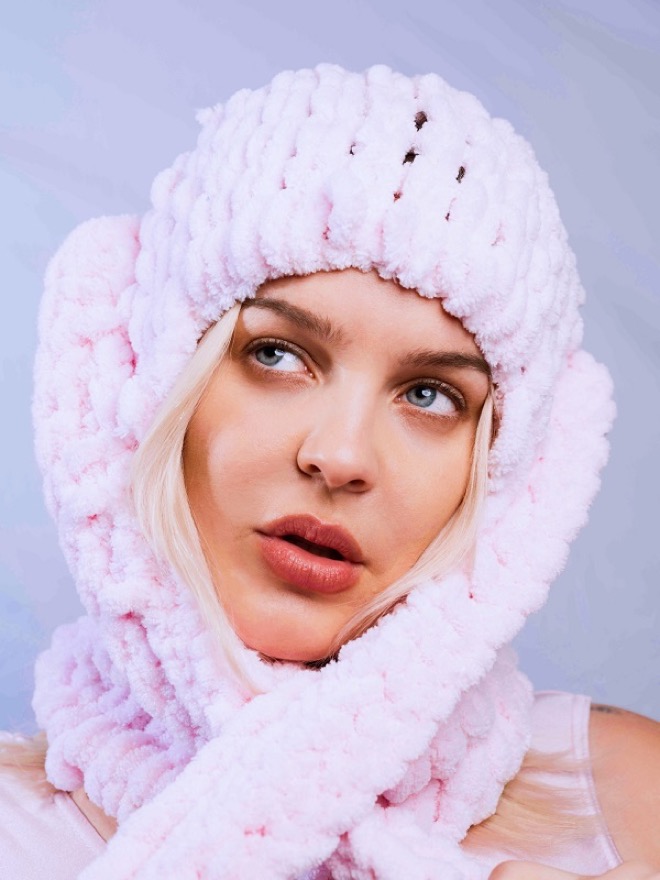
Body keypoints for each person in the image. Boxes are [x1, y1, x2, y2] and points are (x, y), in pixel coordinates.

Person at [0, 63, 658, 880]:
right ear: (156, 382)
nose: (341, 456)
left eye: (430, 395)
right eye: (277, 354)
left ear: (506, 472)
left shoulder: (628, 798)